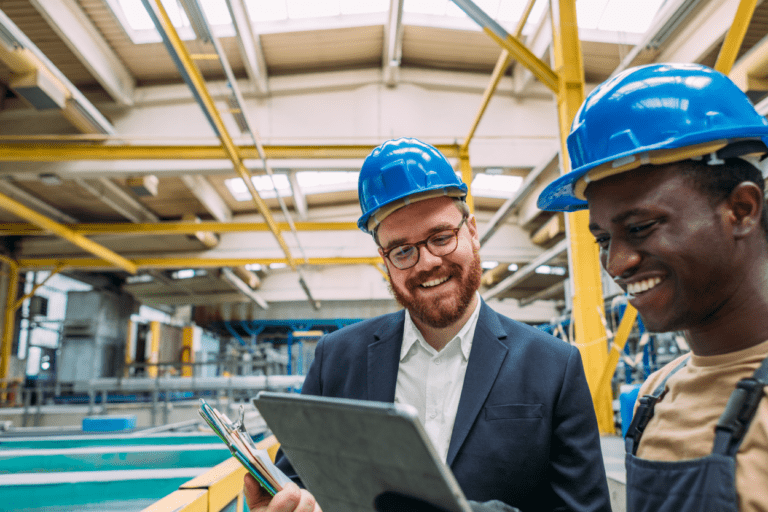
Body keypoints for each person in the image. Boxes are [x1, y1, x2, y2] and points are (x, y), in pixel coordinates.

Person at [245, 138, 611, 512]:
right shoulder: (336, 359)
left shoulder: (553, 365)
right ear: (384, 260)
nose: (426, 263)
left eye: (441, 238)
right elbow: (299, 482)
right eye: (403, 251)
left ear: (471, 231)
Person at [537, 63, 768, 512]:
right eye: (603, 239)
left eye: (640, 227)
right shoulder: (655, 395)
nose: (617, 263)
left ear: (741, 210)